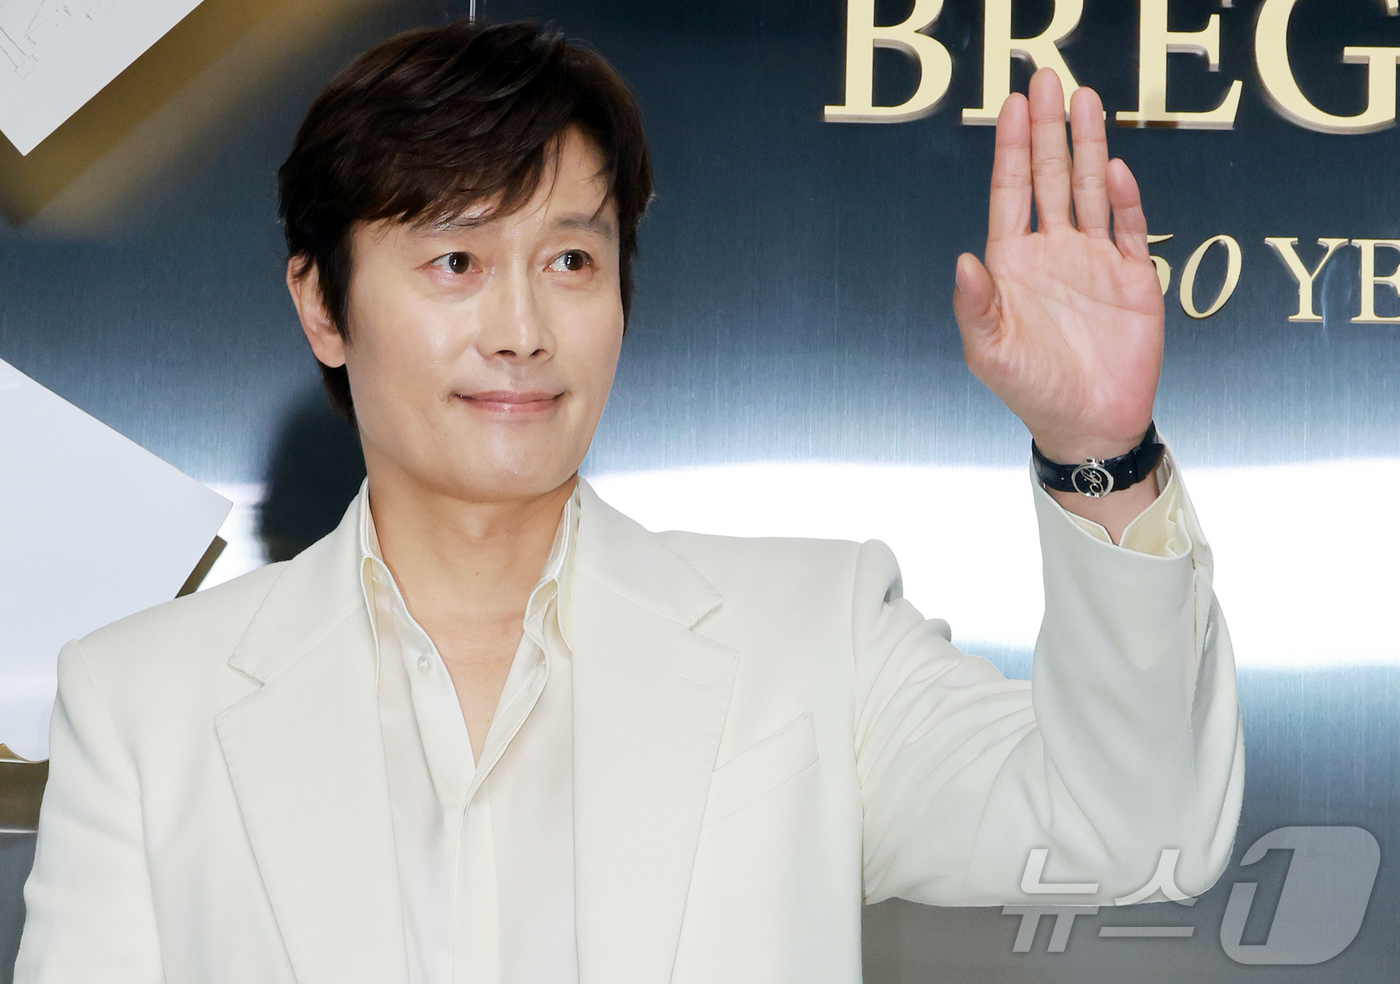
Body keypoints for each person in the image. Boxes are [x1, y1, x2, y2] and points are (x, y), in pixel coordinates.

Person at [15, 19, 1242, 984]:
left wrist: (1096, 452)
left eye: (569, 260)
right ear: (323, 306)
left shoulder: (808, 639)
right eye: (454, 261)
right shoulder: (146, 706)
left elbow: (1133, 833)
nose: (519, 329)